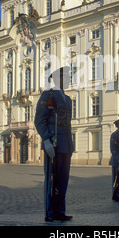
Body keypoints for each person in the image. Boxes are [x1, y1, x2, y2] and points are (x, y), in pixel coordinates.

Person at [34, 66, 74, 222]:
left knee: (63, 180)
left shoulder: (68, 99)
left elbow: (68, 124)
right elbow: (39, 120)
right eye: (68, 78)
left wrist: (70, 145)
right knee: (51, 179)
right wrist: (46, 141)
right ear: (59, 79)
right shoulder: (48, 95)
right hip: (53, 144)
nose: (70, 80)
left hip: (66, 145)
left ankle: (60, 211)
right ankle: (50, 212)